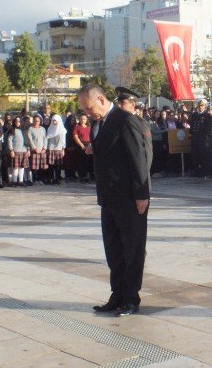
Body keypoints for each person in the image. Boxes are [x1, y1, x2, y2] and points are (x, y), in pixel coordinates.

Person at [77, 84, 150, 317]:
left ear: (100, 99)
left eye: (89, 109)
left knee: (132, 248)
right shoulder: (101, 123)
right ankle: (117, 294)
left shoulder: (125, 120)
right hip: (108, 197)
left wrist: (141, 194)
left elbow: (139, 158)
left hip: (129, 198)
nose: (88, 114)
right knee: (114, 250)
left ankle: (131, 297)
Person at [6, 116, 30, 187]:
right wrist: (11, 150)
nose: (18, 123)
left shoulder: (24, 130)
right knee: (15, 167)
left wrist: (28, 149)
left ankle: (21, 181)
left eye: (19, 121)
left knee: (22, 167)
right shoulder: (12, 130)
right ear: (14, 122)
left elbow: (27, 141)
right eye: (16, 121)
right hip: (15, 151)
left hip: (23, 151)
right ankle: (14, 181)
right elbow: (9, 141)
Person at [45, 114, 67, 185]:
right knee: (51, 165)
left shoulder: (62, 130)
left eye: (56, 121)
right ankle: (51, 178)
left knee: (58, 165)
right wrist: (47, 149)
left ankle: (57, 178)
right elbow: (47, 139)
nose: (54, 122)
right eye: (53, 121)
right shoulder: (50, 129)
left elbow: (63, 141)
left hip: (59, 149)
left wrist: (63, 149)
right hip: (51, 149)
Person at [27, 115, 48, 184]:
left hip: (42, 151)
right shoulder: (30, 129)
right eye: (35, 121)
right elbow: (30, 140)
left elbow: (45, 139)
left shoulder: (43, 129)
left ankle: (40, 179)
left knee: (41, 166)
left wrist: (44, 148)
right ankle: (35, 180)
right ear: (33, 121)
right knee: (34, 167)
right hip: (35, 151)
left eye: (38, 121)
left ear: (40, 122)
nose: (36, 122)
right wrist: (34, 148)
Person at [72, 114, 92, 183]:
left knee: (88, 161)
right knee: (81, 161)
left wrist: (89, 144)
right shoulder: (77, 126)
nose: (83, 120)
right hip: (80, 145)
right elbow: (75, 136)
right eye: (81, 119)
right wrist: (81, 145)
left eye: (84, 119)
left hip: (88, 144)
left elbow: (91, 136)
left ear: (86, 120)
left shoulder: (88, 127)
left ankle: (87, 176)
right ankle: (82, 176)